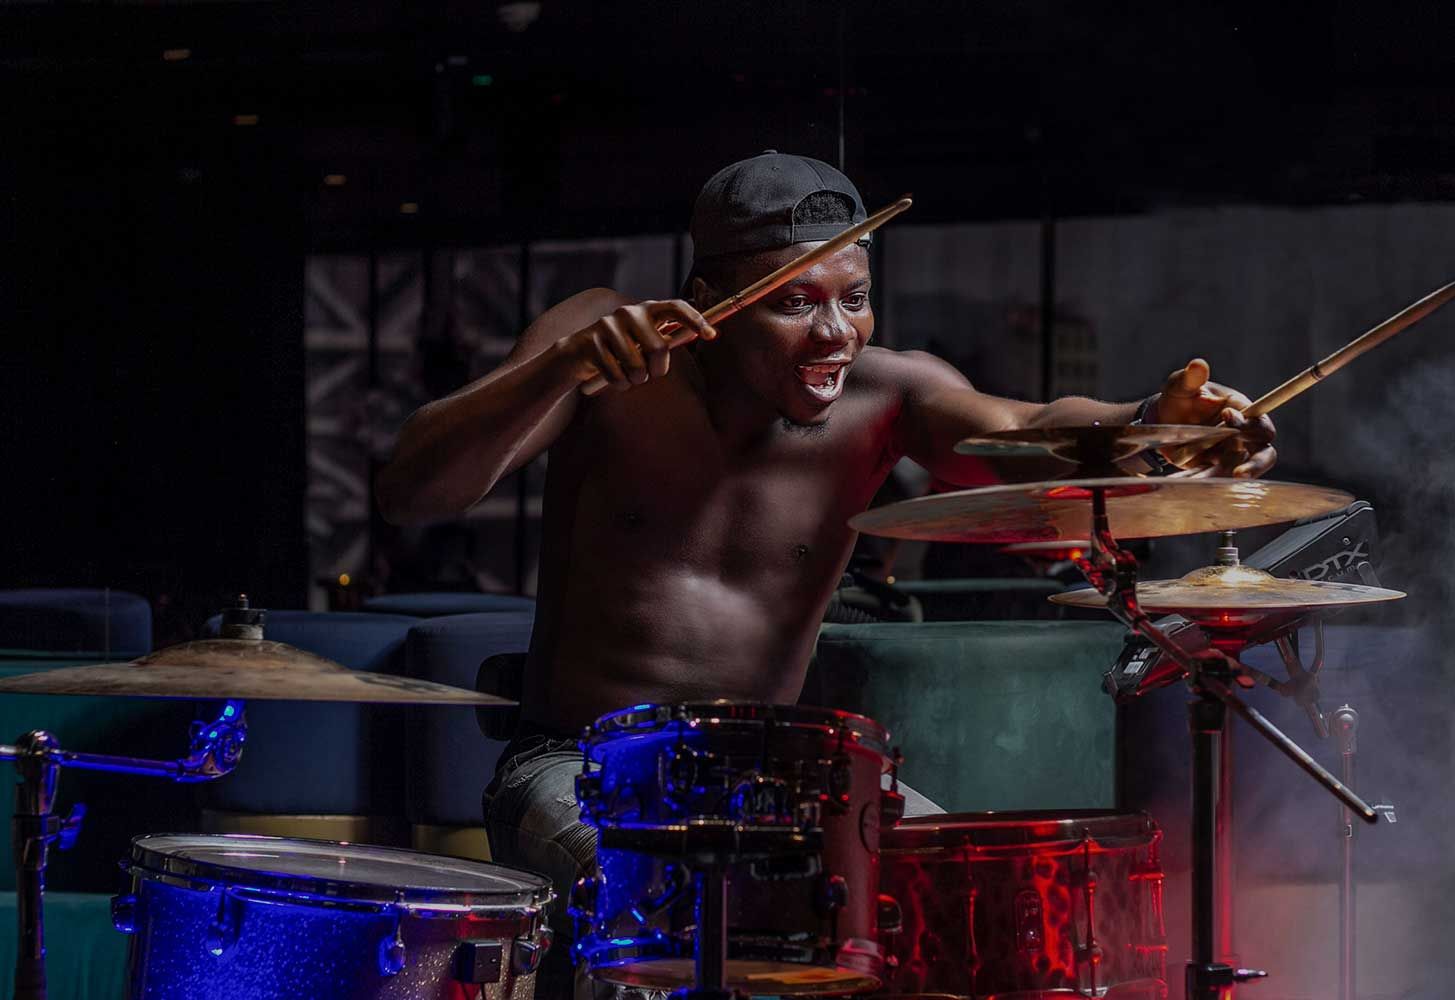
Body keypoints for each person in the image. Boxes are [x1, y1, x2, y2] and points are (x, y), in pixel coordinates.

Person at [376, 151, 1276, 998]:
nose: (836, 332)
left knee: (967, 895)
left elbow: (1031, 429)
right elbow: (412, 491)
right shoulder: (605, 348)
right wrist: (559, 369)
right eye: (796, 302)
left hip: (783, 776)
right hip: (580, 762)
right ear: (708, 302)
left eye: (855, 298)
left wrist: (1154, 425)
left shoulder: (890, 396)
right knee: (672, 906)